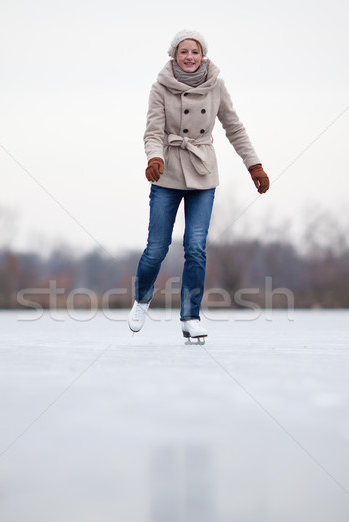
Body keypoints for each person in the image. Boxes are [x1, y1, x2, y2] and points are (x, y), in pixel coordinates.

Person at [128, 30, 269, 341]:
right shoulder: (160, 87)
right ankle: (142, 298)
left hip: (203, 173)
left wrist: (253, 165)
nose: (189, 57)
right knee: (156, 249)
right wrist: (155, 158)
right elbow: (152, 131)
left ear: (203, 55)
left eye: (195, 51)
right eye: (183, 52)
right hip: (167, 172)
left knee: (196, 247)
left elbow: (234, 126)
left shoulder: (216, 85)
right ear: (174, 56)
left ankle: (190, 317)